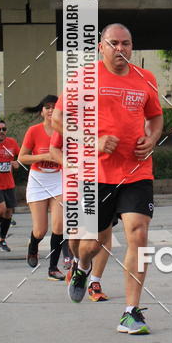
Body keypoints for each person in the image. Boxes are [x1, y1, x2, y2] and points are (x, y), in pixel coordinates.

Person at [53, 23, 163, 334]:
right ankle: (82, 267)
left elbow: (155, 116)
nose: (120, 49)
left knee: (138, 234)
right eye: (113, 43)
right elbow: (58, 119)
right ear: (101, 47)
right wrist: (92, 141)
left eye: (126, 43)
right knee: (92, 244)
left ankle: (131, 312)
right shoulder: (84, 78)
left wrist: (152, 138)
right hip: (95, 173)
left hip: (136, 171)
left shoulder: (146, 78)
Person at [48, 129, 108, 301]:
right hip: (74, 183)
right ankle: (78, 261)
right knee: (75, 235)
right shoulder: (71, 119)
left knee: (104, 234)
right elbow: (54, 149)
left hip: (105, 180)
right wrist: (69, 165)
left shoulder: (113, 115)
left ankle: (94, 282)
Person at [18, 95, 66, 280]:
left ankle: (53, 268)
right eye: (47, 107)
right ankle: (33, 247)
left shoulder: (65, 131)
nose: (51, 110)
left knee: (59, 226)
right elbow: (22, 157)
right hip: (38, 180)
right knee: (40, 230)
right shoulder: (34, 131)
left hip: (58, 179)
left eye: (54, 106)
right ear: (42, 112)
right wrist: (43, 157)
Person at [0, 120, 20, 252]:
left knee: (8, 213)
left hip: (9, 183)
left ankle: (2, 239)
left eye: (4, 129)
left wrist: (17, 163)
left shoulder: (11, 142)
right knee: (1, 209)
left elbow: (21, 156)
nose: (1, 132)